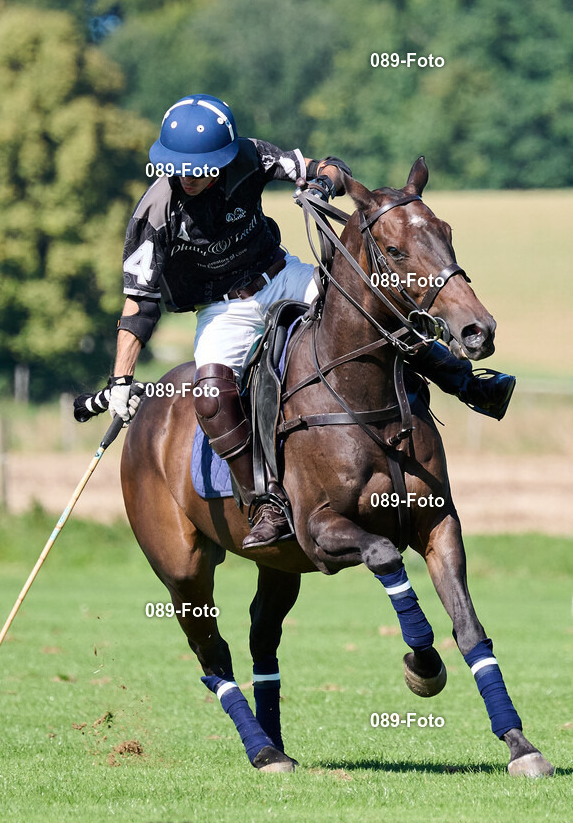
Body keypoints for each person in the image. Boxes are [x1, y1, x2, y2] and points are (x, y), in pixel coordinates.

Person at [105, 93, 514, 548]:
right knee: (210, 398)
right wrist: (121, 380)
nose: (189, 177)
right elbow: (138, 306)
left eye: (200, 168)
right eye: (181, 168)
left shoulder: (249, 157)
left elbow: (331, 167)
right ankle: (265, 502)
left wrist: (320, 185)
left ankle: (467, 383)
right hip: (223, 310)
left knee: (371, 306)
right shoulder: (155, 213)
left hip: (283, 276)